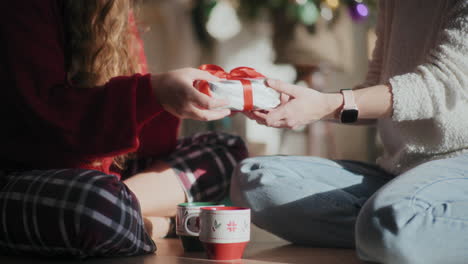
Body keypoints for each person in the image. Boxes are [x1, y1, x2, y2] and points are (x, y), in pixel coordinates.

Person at [0, 0, 247, 258]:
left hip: (103, 174)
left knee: (228, 152)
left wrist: (176, 101)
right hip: (24, 175)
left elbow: (142, 144)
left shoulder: (112, 11)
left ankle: (130, 213)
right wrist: (152, 94)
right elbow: (50, 135)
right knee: (98, 206)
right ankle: (158, 222)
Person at [231, 1, 468, 263]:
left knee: (391, 223)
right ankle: (389, 228)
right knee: (254, 179)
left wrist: (326, 106)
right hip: (397, 172)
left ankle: (391, 225)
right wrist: (304, 104)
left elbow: (440, 85)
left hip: (458, 165)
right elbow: (374, 87)